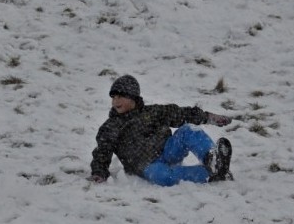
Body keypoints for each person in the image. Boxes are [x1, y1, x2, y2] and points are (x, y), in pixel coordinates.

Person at [88, 74, 233, 186]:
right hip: (147, 166)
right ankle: (209, 174)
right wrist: (99, 172)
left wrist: (207, 117)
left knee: (188, 130)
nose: (115, 101)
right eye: (113, 97)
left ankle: (213, 159)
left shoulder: (152, 112)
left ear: (133, 97)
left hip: (168, 150)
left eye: (120, 96)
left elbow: (180, 114)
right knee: (162, 176)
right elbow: (103, 151)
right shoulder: (111, 126)